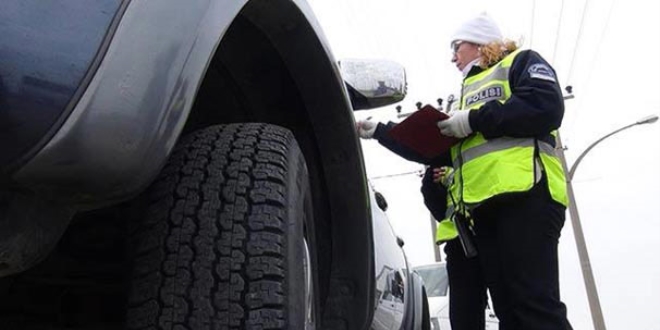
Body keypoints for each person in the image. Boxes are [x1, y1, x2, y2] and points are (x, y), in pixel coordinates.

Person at [435, 12, 573, 330]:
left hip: (528, 194)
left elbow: (545, 106)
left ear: (481, 43)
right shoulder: (462, 95)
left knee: (534, 303)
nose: (453, 56)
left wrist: (474, 119)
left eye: (458, 45)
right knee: (509, 310)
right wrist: (380, 131)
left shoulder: (521, 62)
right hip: (484, 207)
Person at [356, 117, 488, 330]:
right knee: (464, 317)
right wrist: (435, 184)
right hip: (462, 241)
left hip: (504, 227)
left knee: (519, 308)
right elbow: (436, 204)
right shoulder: (449, 155)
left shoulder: (487, 138)